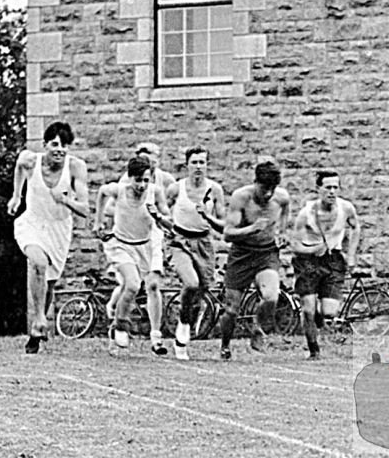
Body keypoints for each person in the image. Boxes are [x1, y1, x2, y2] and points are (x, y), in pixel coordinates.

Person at [8, 121, 89, 354]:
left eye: (65, 146)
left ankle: (36, 331)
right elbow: (19, 166)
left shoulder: (75, 167)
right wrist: (16, 196)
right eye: (55, 144)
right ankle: (40, 317)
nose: (60, 150)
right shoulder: (31, 159)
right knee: (38, 263)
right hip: (32, 222)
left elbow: (84, 209)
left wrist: (65, 200)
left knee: (49, 283)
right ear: (44, 145)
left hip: (59, 228)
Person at [93, 155, 172, 351]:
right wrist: (98, 220)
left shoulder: (155, 193)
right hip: (121, 245)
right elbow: (102, 192)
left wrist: (158, 216)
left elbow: (170, 223)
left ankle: (119, 325)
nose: (142, 185)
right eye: (138, 180)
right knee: (132, 284)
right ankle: (120, 325)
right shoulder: (120, 190)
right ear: (130, 178)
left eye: (146, 180)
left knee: (146, 286)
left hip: (144, 247)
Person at [219, 161, 290, 359]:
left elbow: (284, 216)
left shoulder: (282, 198)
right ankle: (225, 345)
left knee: (271, 296)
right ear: (255, 182)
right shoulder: (241, 198)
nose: (268, 194)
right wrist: (251, 228)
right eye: (263, 189)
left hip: (266, 254)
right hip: (241, 254)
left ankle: (258, 328)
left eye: (272, 189)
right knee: (231, 310)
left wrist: (282, 233)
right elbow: (227, 233)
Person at [291, 170, 361, 360]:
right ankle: (314, 350)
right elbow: (294, 244)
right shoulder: (306, 213)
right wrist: (312, 250)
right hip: (308, 262)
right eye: (327, 187)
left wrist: (351, 255)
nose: (331, 191)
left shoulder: (346, 208)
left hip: (333, 260)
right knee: (308, 309)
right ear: (318, 189)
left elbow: (356, 227)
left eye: (335, 187)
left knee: (329, 311)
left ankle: (317, 317)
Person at [165, 146, 226, 361]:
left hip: (203, 243)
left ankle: (186, 326)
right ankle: (182, 325)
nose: (198, 167)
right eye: (194, 163)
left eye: (202, 162)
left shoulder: (215, 190)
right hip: (180, 241)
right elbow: (164, 210)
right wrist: (163, 224)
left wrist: (208, 216)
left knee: (200, 291)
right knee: (190, 283)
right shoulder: (176, 188)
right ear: (187, 165)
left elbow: (223, 226)